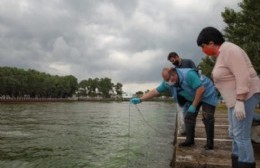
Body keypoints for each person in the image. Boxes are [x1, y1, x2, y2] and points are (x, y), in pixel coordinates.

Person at [197, 26, 260, 168]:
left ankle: (246, 163)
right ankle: (237, 162)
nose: (203, 50)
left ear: (212, 43)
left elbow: (242, 75)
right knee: (234, 133)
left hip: (245, 96)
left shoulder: (230, 50)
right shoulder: (221, 55)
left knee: (241, 136)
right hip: (234, 101)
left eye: (203, 46)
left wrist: (240, 99)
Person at [130, 67, 218, 150]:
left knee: (208, 117)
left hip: (207, 93)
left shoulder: (188, 74)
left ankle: (210, 144)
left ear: (174, 73)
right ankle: (189, 141)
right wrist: (140, 99)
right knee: (188, 117)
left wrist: (193, 106)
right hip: (193, 95)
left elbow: (201, 90)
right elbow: (155, 92)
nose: (169, 82)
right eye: (166, 80)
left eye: (169, 79)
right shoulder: (168, 83)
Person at [167, 52, 198, 136]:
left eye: (173, 60)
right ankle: (186, 130)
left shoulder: (188, 62)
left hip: (192, 93)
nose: (173, 63)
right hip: (183, 95)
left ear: (177, 57)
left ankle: (191, 131)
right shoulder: (175, 68)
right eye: (171, 62)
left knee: (191, 113)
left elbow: (196, 73)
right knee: (184, 112)